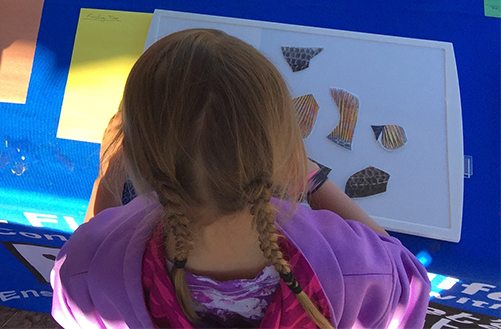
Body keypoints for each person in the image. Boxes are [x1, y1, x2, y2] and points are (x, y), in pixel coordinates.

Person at [51, 29, 430, 329]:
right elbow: (405, 273)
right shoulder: (354, 267)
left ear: (138, 162)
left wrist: (107, 175)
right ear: (283, 160)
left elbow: (88, 253)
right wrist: (313, 180)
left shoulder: (88, 267)